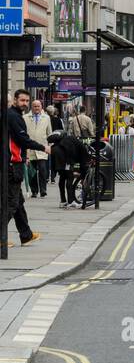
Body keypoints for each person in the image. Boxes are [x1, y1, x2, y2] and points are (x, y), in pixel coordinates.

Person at [2, 90, 44, 247]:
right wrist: (43, 147)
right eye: (22, 100)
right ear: (15, 100)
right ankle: (1, 239)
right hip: (12, 165)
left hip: (14, 163)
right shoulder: (13, 117)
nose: (25, 104)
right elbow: (23, 140)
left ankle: (26, 234)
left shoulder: (12, 115)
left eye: (27, 101)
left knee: (18, 202)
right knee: (11, 204)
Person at [47, 130, 89, 208]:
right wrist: (82, 175)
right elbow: (83, 165)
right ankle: (70, 202)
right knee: (70, 176)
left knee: (62, 177)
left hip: (55, 152)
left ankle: (63, 201)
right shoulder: (84, 152)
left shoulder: (72, 140)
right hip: (64, 155)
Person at [24, 100, 52, 199]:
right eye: (34, 106)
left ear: (41, 107)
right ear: (32, 107)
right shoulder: (25, 117)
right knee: (32, 172)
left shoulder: (46, 118)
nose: (36, 108)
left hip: (42, 149)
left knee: (43, 170)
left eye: (38, 106)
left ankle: (43, 190)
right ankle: (34, 191)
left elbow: (49, 133)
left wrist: (50, 146)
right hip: (30, 149)